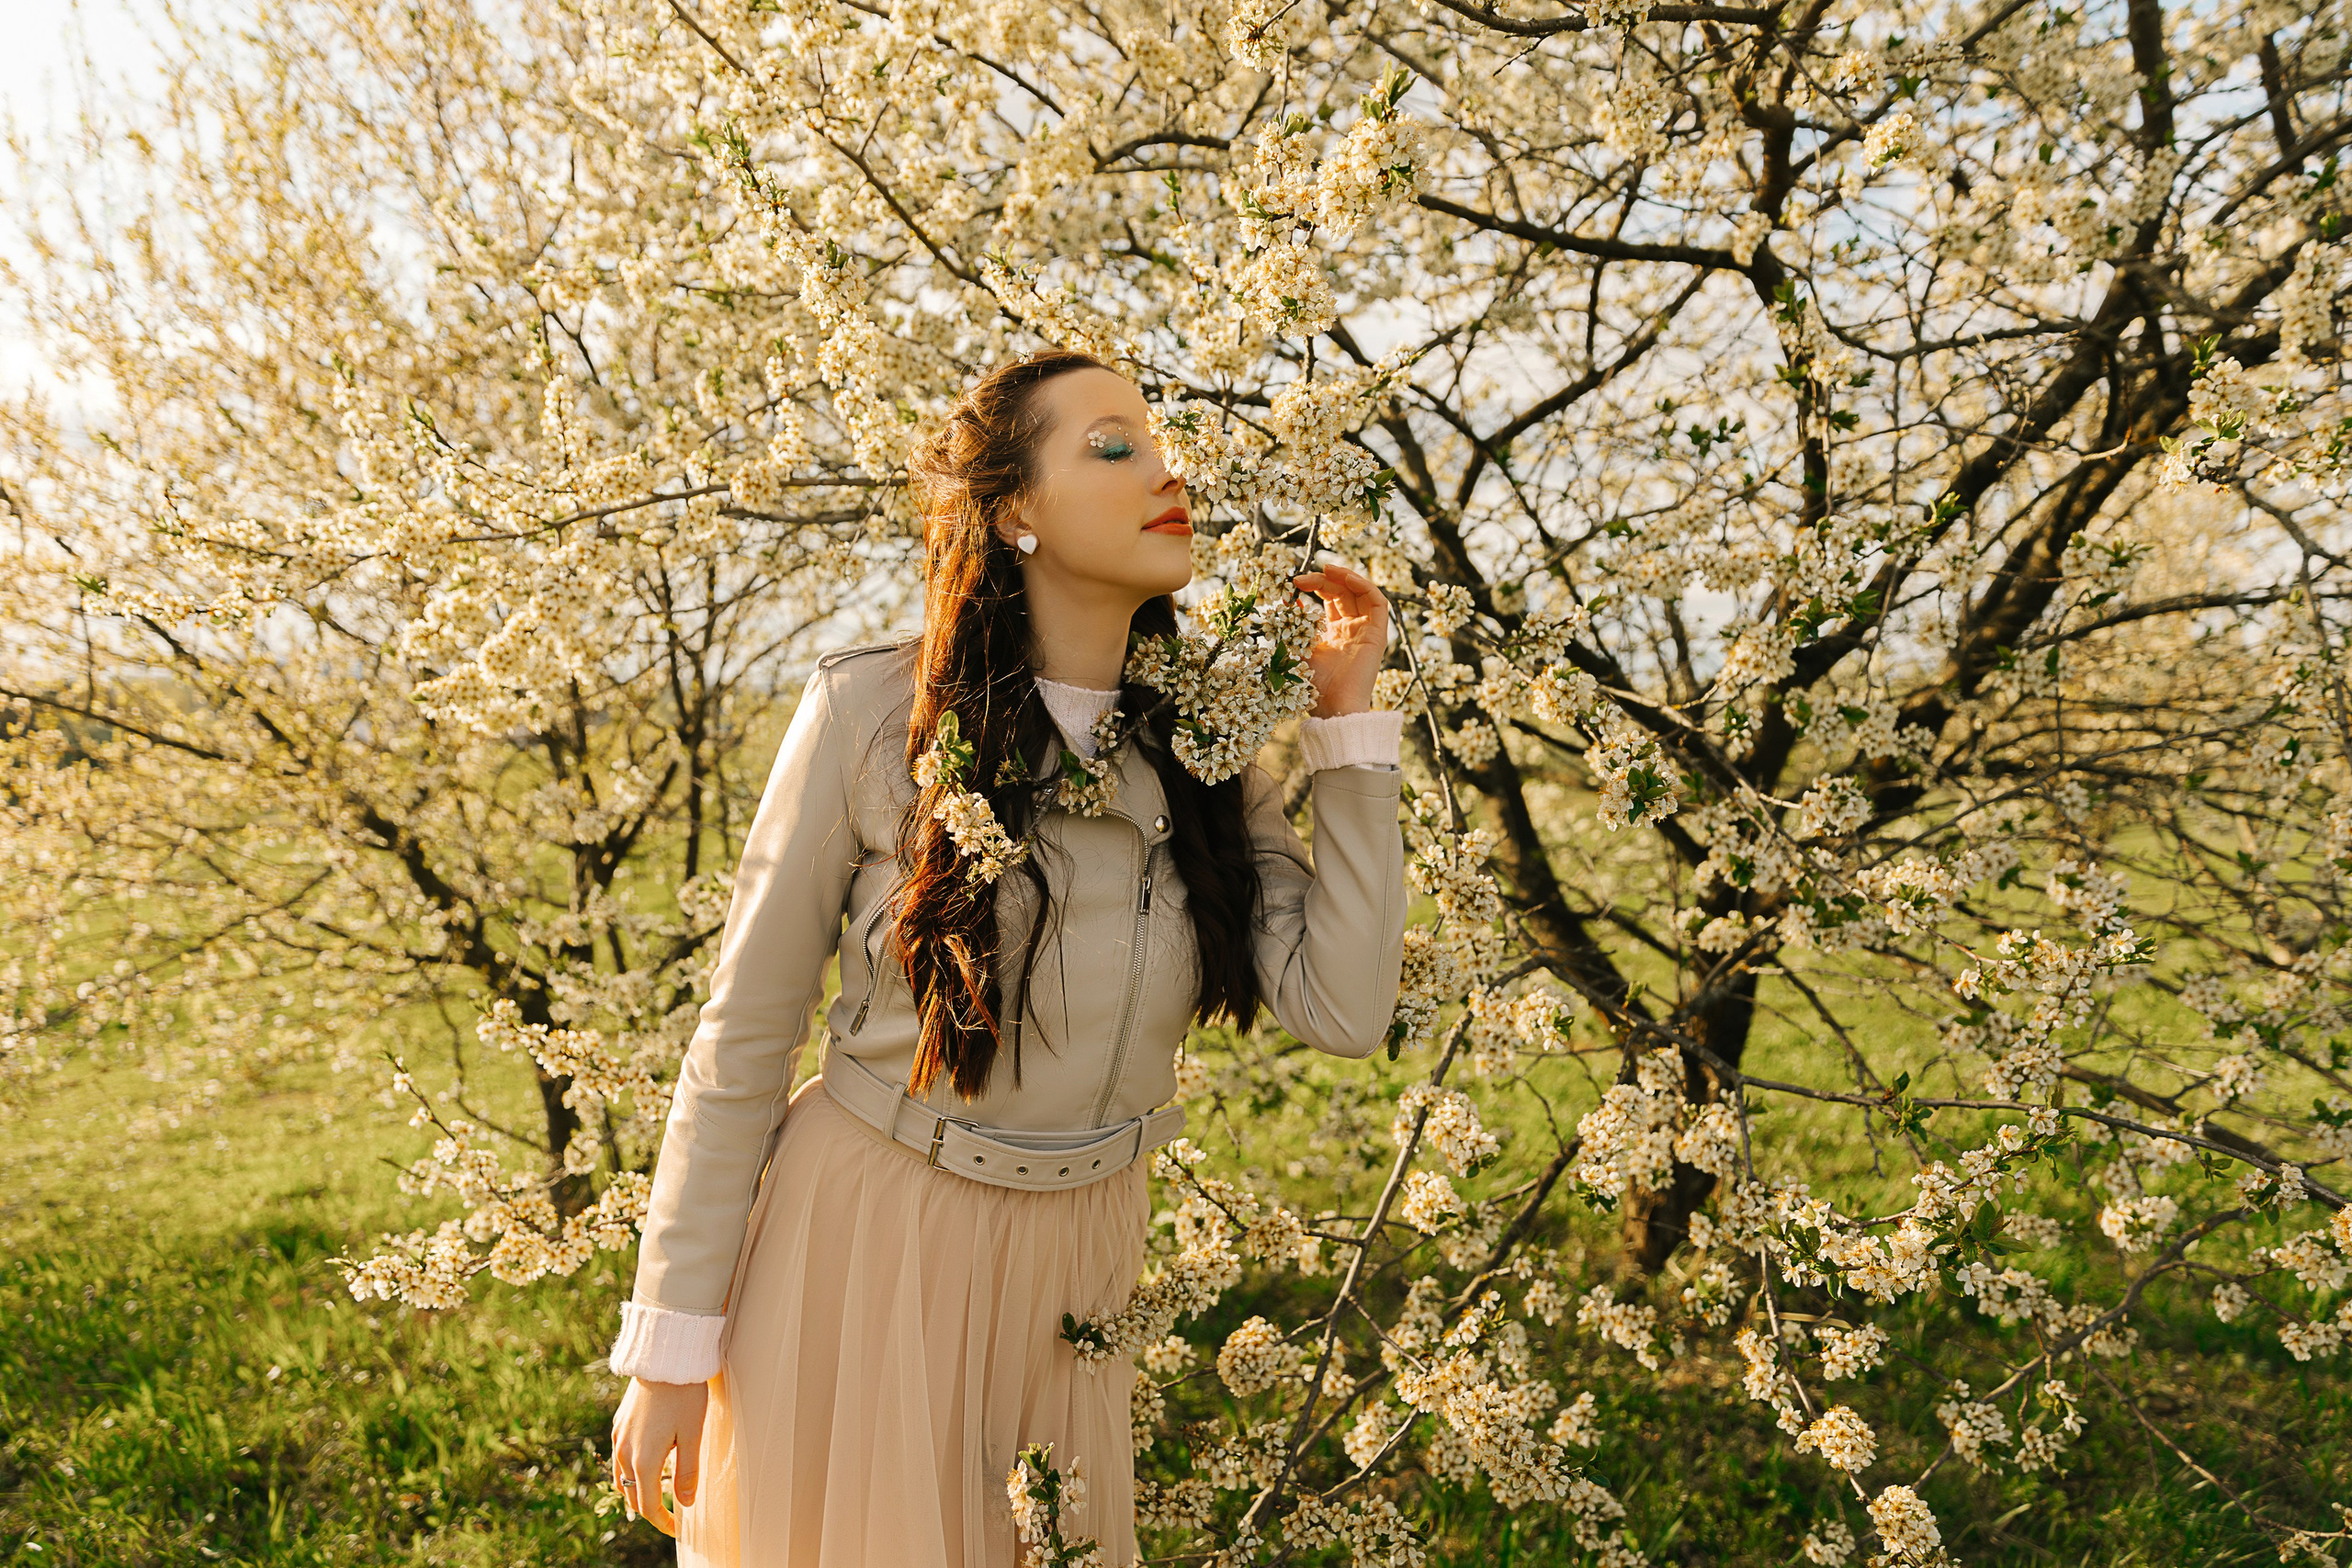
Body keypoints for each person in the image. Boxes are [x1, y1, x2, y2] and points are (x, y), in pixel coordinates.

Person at [605, 347, 1409, 1567]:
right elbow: (744, 1037)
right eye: (1112, 445)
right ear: (1017, 509)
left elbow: (1344, 1008)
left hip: (1084, 1261)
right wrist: (672, 1348)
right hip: (872, 1236)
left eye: (1157, 439)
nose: (1164, 471)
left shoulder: (1206, 738)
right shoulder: (873, 716)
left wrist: (1347, 724)